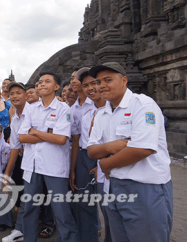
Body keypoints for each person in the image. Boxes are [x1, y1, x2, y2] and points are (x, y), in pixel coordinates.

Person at [87, 62, 173, 242]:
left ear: (124, 80)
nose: (101, 85)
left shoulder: (143, 105)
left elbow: (143, 149)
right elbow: (92, 150)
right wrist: (112, 147)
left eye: (107, 80)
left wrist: (106, 163)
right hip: (113, 188)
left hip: (144, 187)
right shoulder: (101, 114)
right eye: (98, 81)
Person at [18, 71, 78, 242]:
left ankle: (68, 239)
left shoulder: (63, 108)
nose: (41, 84)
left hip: (54, 166)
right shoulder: (31, 108)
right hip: (31, 164)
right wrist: (47, 134)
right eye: (39, 82)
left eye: (46, 81)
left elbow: (60, 139)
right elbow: (22, 137)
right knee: (29, 206)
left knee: (61, 209)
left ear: (57, 87)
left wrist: (36, 132)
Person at [78, 68, 111, 242]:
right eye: (86, 85)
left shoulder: (115, 109)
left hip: (116, 170)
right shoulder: (87, 116)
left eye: (94, 83)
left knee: (111, 212)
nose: (91, 88)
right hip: (95, 166)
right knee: (88, 205)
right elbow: (91, 146)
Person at [2, 82, 28, 242]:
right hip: (27, 163)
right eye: (12, 94)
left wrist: (25, 139)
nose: (15, 96)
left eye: (19, 93)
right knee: (28, 200)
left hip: (45, 164)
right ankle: (21, 230)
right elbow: (15, 146)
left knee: (57, 204)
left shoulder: (34, 113)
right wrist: (6, 173)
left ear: (26, 95)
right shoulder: (16, 118)